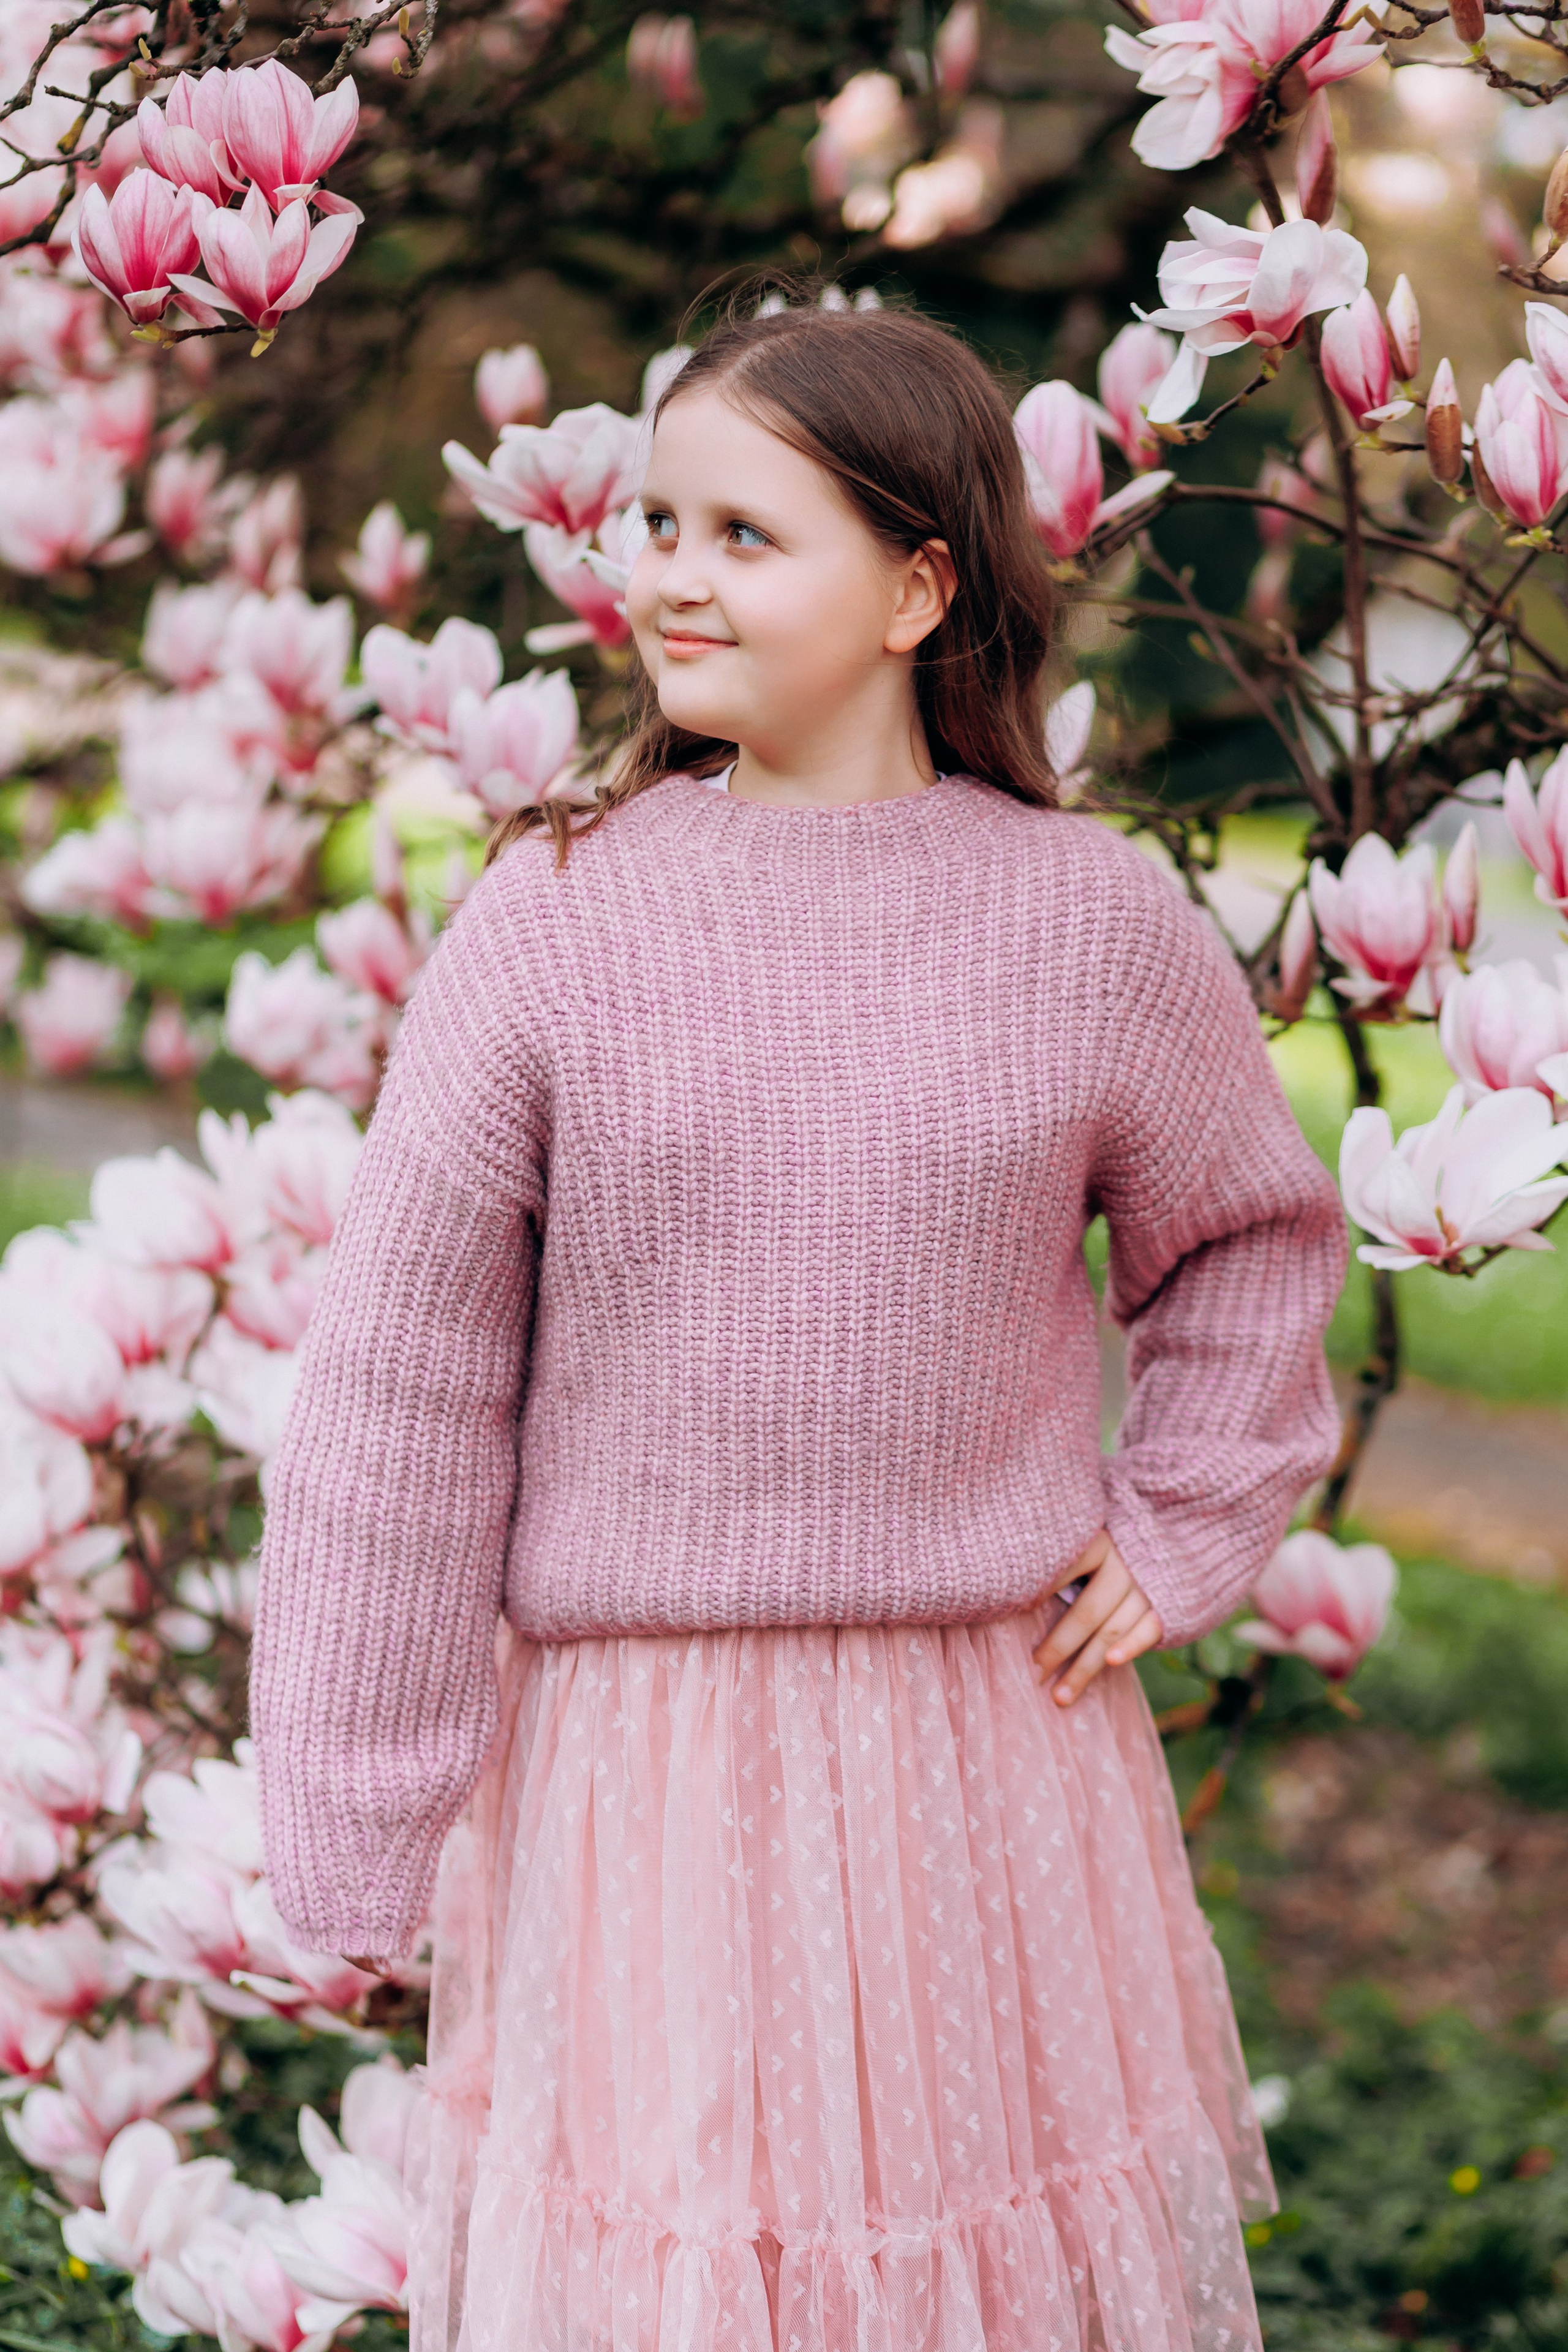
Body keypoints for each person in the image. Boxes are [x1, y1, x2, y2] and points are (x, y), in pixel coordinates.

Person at [249, 289, 1348, 2352]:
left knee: (962, 2276)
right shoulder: (558, 918)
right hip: (644, 1773)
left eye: (744, 535)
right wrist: (355, 1813)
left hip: (982, 1754)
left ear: (919, 588)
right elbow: (405, 1385)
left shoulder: (1089, 925)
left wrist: (1193, 1509)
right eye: (659, 524)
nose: (670, 574)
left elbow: (1252, 1241)